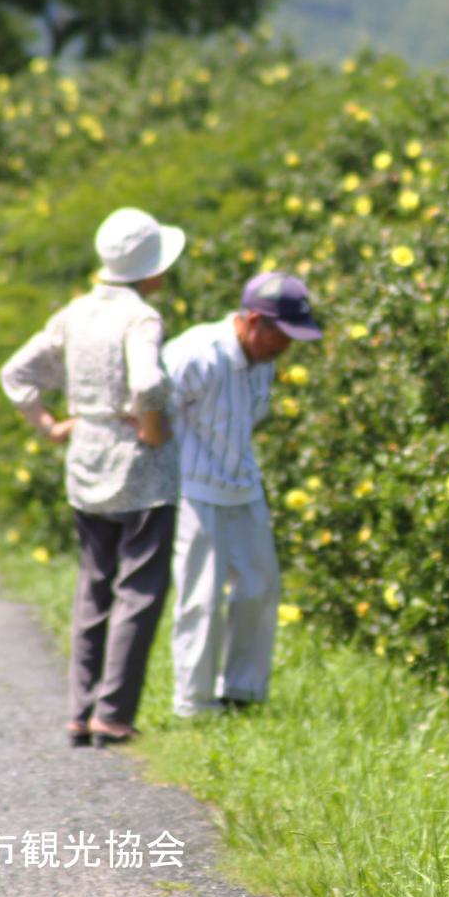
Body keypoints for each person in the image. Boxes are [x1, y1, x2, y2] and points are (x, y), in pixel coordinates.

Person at [0, 207, 185, 748]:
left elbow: (16, 373)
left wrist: (50, 426)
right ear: (147, 270)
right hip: (139, 470)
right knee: (139, 589)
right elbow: (148, 383)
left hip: (85, 459)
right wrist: (152, 429)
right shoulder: (142, 318)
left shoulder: (73, 314)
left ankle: (80, 712)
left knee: (94, 584)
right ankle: (114, 714)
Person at [164, 271, 322, 716]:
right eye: (282, 335)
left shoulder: (264, 361)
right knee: (202, 598)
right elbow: (150, 407)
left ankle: (242, 694)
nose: (287, 346)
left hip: (243, 485)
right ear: (254, 321)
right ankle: (193, 705)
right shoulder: (196, 353)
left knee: (259, 588)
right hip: (193, 487)